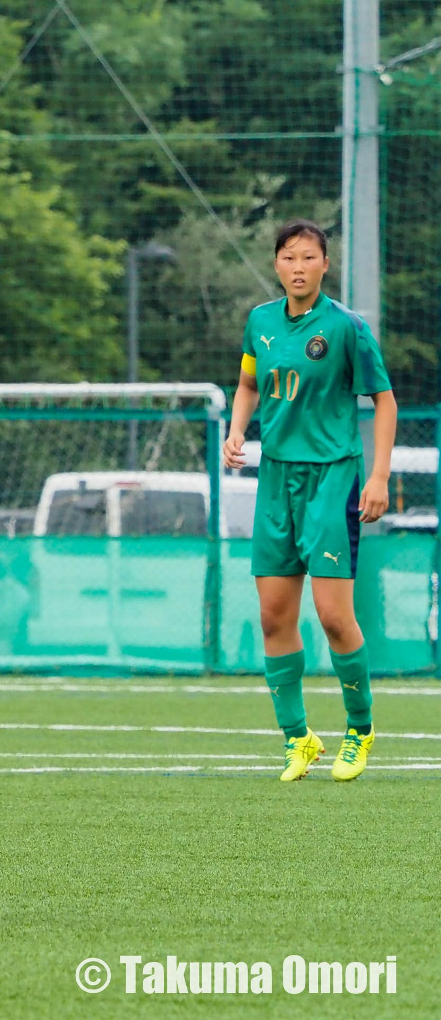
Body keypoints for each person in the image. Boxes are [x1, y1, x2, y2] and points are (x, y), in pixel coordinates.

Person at [223, 219, 396, 782]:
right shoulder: (261, 322)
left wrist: (378, 476)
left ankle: (360, 728)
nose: (298, 266)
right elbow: (249, 383)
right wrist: (237, 430)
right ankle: (298, 738)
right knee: (274, 615)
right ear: (276, 265)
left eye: (308, 257)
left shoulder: (347, 327)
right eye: (288, 257)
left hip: (333, 478)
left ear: (325, 265)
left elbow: (384, 401)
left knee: (333, 616)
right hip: (276, 478)